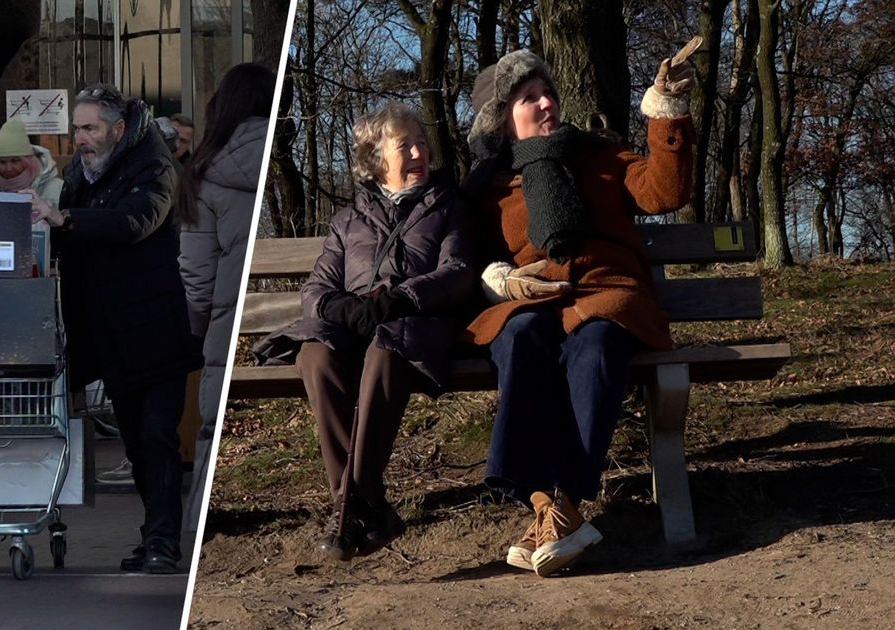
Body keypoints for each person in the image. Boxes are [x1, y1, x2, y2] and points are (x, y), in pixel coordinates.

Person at [461, 41, 698, 577]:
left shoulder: (599, 156)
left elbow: (666, 191)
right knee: (520, 339)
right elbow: (467, 256)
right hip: (530, 305)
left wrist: (666, 109)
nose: (546, 104)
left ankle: (558, 506)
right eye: (528, 97)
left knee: (594, 344)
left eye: (548, 93)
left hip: (604, 295)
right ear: (502, 120)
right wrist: (495, 278)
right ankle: (550, 508)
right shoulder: (487, 189)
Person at [253, 102, 474, 561]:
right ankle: (368, 505)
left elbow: (459, 271)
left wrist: (400, 298)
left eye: (421, 142)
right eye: (404, 145)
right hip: (354, 325)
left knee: (385, 349)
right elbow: (318, 286)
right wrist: (339, 306)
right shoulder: (348, 220)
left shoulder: (449, 205)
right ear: (376, 160)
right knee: (314, 355)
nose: (418, 152)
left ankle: (350, 508)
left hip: (413, 323)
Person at [27, 84, 202, 574]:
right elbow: (73, 243)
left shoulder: (155, 165)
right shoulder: (80, 173)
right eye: (76, 128)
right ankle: (153, 534)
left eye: (89, 128)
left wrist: (63, 218)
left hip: (157, 329)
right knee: (136, 441)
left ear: (117, 129)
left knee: (157, 436)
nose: (79, 137)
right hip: (113, 333)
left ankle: (165, 542)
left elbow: (134, 222)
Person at [175, 63, 275, 531]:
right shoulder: (281, 152)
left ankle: (197, 533)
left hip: (224, 320)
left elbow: (196, 277)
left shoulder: (204, 171)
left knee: (210, 433)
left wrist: (202, 330)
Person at [0, 117, 64, 207]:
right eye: (2, 162)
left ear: (28, 161)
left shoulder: (55, 189)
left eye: (15, 161)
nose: (8, 168)